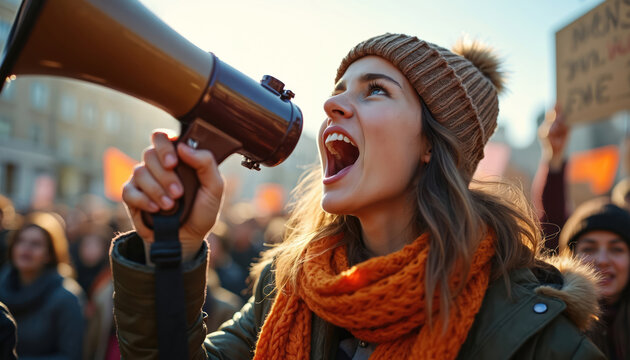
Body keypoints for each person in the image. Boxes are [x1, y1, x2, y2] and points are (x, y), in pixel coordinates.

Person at [111, 33, 604, 359]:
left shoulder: (532, 332)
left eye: (375, 91)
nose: (331, 104)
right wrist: (170, 250)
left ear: (433, 144)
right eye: (339, 89)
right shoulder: (291, 288)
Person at [0, 211, 84, 360]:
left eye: (36, 244)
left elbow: (71, 355)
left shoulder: (67, 296)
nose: (26, 248)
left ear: (50, 254)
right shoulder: (2, 284)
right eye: (20, 241)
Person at [559, 197, 630, 360]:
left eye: (617, 249)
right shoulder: (551, 323)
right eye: (589, 248)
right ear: (569, 257)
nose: (602, 260)